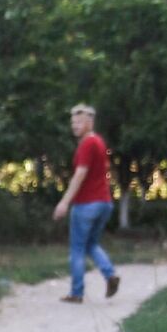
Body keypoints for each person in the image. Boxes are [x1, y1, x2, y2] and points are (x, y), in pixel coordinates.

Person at [52, 104, 117, 303]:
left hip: (87, 204)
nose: (75, 126)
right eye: (73, 122)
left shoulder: (87, 144)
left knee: (77, 249)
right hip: (104, 203)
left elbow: (80, 174)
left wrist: (64, 202)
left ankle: (76, 293)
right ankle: (110, 275)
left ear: (90, 122)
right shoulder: (99, 142)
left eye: (79, 122)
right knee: (91, 244)